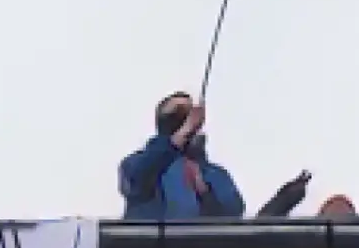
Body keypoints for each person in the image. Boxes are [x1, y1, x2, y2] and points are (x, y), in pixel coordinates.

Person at [118, 91, 312, 220]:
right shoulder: (136, 165)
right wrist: (179, 137)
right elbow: (136, 179)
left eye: (190, 112)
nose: (188, 118)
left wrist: (205, 192)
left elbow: (232, 221)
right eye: (179, 112)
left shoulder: (215, 175)